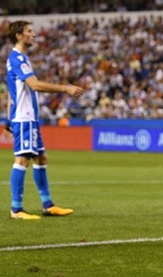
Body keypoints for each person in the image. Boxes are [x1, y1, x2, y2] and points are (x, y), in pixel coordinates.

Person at [5, 20, 85, 219]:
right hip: (24, 118)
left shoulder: (22, 58)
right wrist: (65, 88)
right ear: (19, 35)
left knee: (41, 158)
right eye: (29, 31)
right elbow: (35, 85)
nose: (33, 34)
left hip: (27, 117)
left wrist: (8, 118)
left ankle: (48, 205)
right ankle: (16, 209)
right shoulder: (17, 59)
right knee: (22, 159)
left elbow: (11, 91)